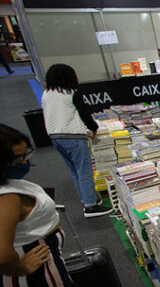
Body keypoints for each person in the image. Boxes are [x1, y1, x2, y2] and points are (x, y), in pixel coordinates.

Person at [0, 124, 116, 287]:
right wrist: (22, 267)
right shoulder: (6, 199)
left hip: (40, 260)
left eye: (24, 154)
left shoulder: (9, 187)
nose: (25, 162)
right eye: (16, 159)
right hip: (31, 268)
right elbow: (1, 253)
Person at [40, 64, 110, 218]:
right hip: (73, 136)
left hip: (54, 137)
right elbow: (85, 115)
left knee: (74, 171)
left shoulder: (46, 93)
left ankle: (87, 198)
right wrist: (93, 128)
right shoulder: (71, 93)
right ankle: (91, 206)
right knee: (84, 170)